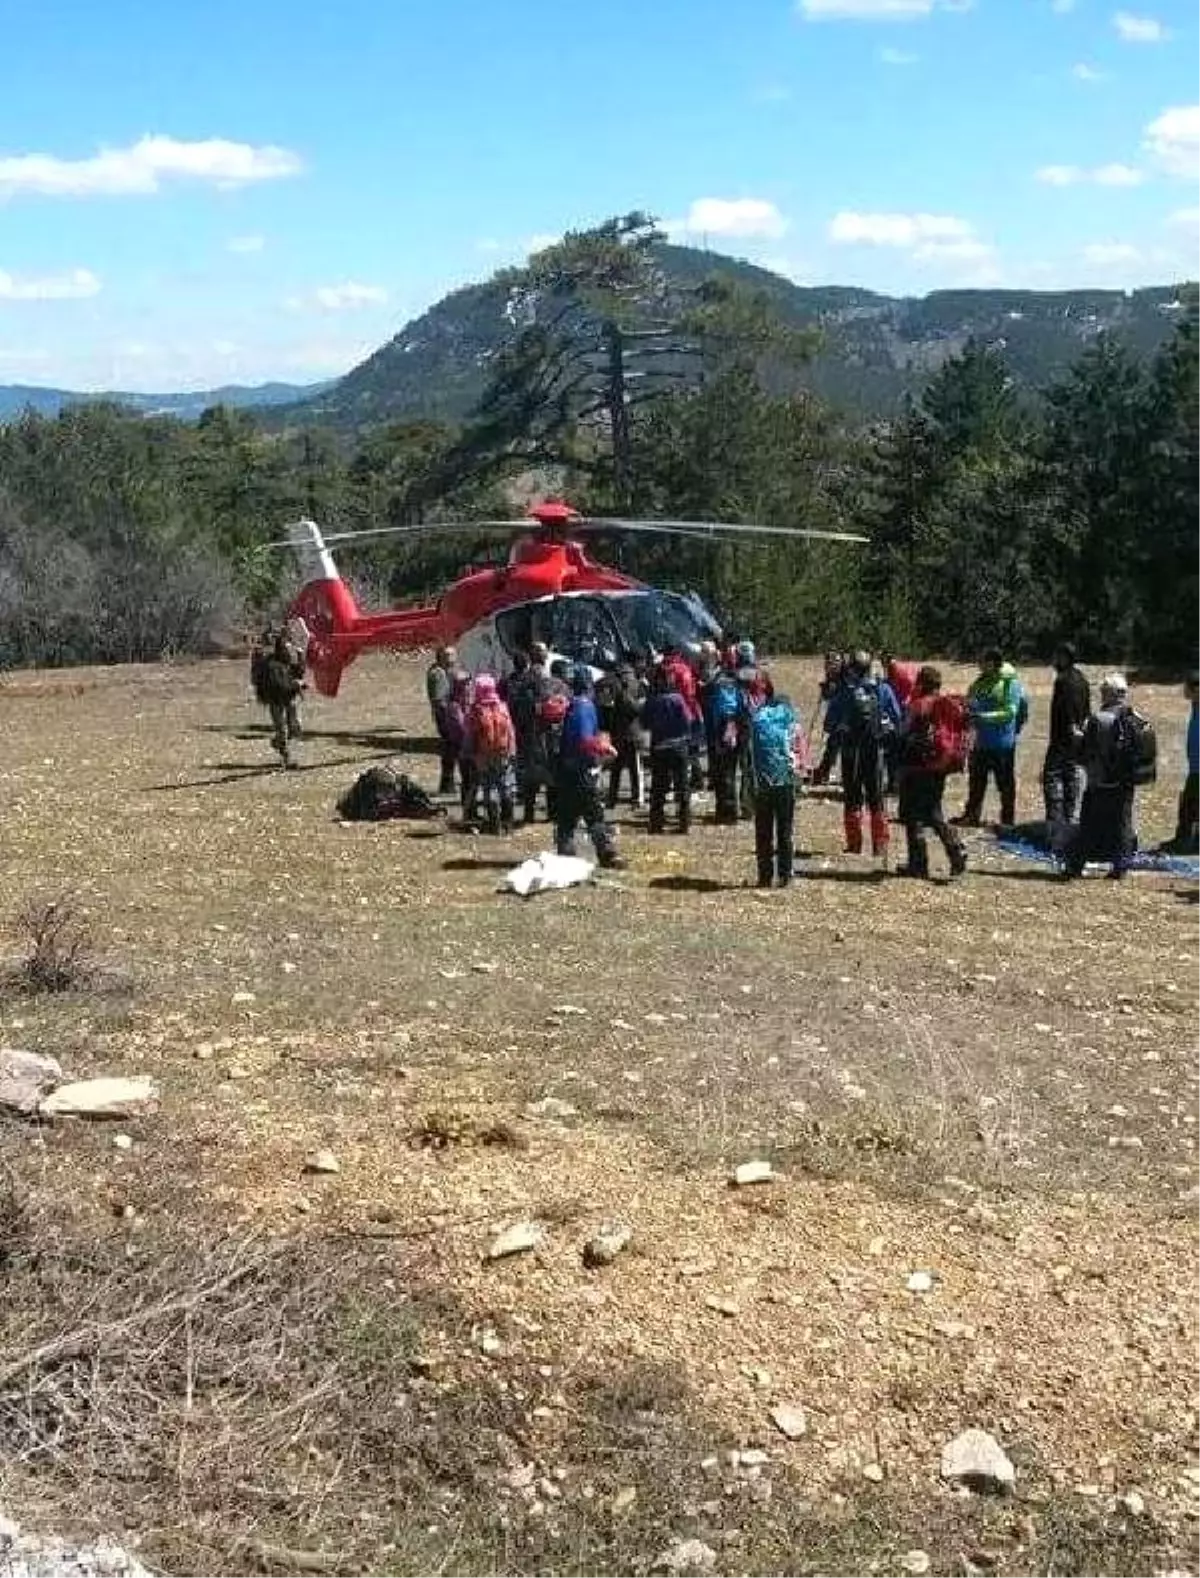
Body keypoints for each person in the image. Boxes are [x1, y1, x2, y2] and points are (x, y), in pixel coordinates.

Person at [1063, 673, 1143, 880]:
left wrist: (1077, 738)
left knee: (1089, 823)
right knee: (1122, 824)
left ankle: (1076, 865)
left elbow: (1085, 754)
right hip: (1125, 781)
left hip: (1100, 781)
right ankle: (1121, 866)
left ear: (1107, 693)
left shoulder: (1098, 719)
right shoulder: (1135, 717)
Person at [825, 650, 900, 863]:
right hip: (874, 749)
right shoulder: (882, 688)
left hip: (850, 750)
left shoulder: (844, 691)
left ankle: (855, 844)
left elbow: (830, 724)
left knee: (852, 796)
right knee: (876, 797)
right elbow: (896, 716)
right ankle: (880, 845)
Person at [896, 666, 969, 881]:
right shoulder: (945, 705)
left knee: (912, 816)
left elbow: (902, 732)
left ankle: (918, 864)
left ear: (921, 683)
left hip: (916, 767)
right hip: (939, 766)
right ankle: (956, 851)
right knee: (935, 812)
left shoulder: (917, 706)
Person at [554, 666, 623, 868]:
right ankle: (606, 852)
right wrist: (605, 748)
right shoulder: (584, 707)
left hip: (566, 768)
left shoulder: (572, 705)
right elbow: (584, 739)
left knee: (567, 816)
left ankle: (565, 853)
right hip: (581, 769)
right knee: (594, 812)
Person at [956, 649, 1028, 828]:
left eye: (982, 661)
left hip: (1002, 743)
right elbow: (971, 701)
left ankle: (1007, 821)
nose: (979, 664)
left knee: (1005, 784)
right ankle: (971, 815)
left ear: (992, 663)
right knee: (976, 782)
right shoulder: (981, 682)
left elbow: (1012, 711)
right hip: (980, 742)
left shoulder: (1009, 683)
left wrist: (983, 717)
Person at [749, 678, 801, 889]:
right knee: (785, 829)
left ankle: (764, 876)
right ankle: (786, 874)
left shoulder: (754, 718)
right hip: (786, 779)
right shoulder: (788, 714)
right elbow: (797, 744)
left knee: (763, 831)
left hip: (762, 781)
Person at [1043, 643, 1091, 832]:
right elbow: (1087, 708)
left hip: (1063, 738)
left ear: (1064, 657)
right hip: (1078, 738)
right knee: (1071, 777)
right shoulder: (1082, 679)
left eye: (1057, 657)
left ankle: (1055, 823)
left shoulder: (1064, 681)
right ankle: (1070, 819)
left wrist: (1071, 726)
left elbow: (1067, 707)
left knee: (1053, 778)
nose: (1054, 661)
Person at [643, 663, 692, 835]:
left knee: (658, 787)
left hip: (659, 746)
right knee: (682, 785)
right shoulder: (677, 699)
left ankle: (656, 822)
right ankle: (684, 821)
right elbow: (687, 721)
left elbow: (645, 723)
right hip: (678, 745)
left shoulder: (653, 700)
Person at [464, 674, 516, 835]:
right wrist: (512, 750)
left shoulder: (476, 710)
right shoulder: (502, 707)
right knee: (505, 785)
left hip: (483, 755)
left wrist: (469, 753)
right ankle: (508, 821)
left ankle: (495, 823)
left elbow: (470, 734)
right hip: (503, 753)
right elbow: (510, 731)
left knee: (489, 787)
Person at [254, 630, 306, 769]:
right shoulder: (271, 666)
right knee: (282, 730)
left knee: (295, 727)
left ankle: (282, 747)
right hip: (276, 700)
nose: (289, 648)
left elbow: (298, 672)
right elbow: (279, 684)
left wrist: (301, 658)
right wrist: (295, 685)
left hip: (289, 699)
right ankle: (286, 757)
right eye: (286, 645)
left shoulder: (286, 661)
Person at [599, 662, 646, 810]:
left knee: (616, 768)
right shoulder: (638, 684)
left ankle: (612, 798)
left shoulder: (611, 684)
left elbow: (606, 707)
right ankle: (637, 798)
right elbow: (637, 709)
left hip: (617, 732)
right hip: (633, 732)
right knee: (635, 769)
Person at [1163, 672, 1200, 854]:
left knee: (1189, 805)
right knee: (1189, 804)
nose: (1184, 691)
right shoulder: (1195, 705)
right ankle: (1185, 839)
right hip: (1194, 766)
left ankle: (1185, 841)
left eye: (1188, 688)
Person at [427, 645, 459, 796]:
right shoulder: (437, 674)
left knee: (450, 751)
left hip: (448, 717)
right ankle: (447, 784)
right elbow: (439, 700)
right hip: (446, 718)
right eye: (450, 656)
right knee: (450, 750)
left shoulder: (446, 672)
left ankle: (448, 783)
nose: (454, 659)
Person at [810, 651, 846, 787]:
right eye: (829, 664)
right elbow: (828, 696)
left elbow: (834, 695)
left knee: (840, 746)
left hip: (845, 717)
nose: (830, 667)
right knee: (833, 745)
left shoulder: (845, 677)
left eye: (833, 664)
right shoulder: (833, 678)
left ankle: (826, 772)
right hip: (837, 717)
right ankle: (823, 772)